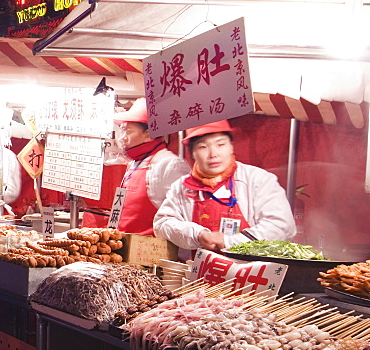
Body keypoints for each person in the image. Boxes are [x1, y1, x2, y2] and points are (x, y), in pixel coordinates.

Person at [154, 120, 296, 252]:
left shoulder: (258, 179)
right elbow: (162, 224)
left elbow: (282, 225)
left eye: (220, 144)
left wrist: (230, 242)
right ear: (192, 153)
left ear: (231, 147)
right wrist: (198, 234)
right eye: (203, 147)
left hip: (252, 273)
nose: (213, 154)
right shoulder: (182, 187)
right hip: (200, 274)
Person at [112, 98, 189, 235]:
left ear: (148, 134)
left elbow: (183, 217)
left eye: (128, 131)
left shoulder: (169, 164)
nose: (122, 138)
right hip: (123, 246)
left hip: (150, 251)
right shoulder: (134, 163)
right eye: (122, 131)